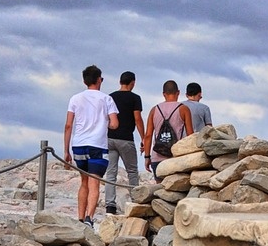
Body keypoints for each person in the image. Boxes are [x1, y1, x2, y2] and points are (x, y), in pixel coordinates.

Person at [64, 65, 119, 227]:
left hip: (79, 144)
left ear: (84, 80)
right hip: (98, 145)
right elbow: (115, 124)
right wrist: (104, 123)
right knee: (94, 182)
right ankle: (89, 218)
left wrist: (66, 150)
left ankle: (80, 218)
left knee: (83, 182)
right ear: (98, 80)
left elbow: (68, 125)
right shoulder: (106, 99)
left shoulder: (75, 99)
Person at [103, 71, 144, 215]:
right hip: (126, 138)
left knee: (111, 173)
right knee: (132, 171)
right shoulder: (135, 98)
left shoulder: (110, 97)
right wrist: (143, 138)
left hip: (110, 138)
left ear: (120, 81)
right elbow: (137, 119)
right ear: (132, 82)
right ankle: (135, 200)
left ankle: (110, 205)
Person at [144, 80, 194, 181]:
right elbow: (190, 135)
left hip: (157, 157)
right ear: (178, 93)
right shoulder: (183, 109)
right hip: (175, 157)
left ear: (163, 94)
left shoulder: (154, 110)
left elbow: (148, 135)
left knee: (159, 190)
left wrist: (147, 157)